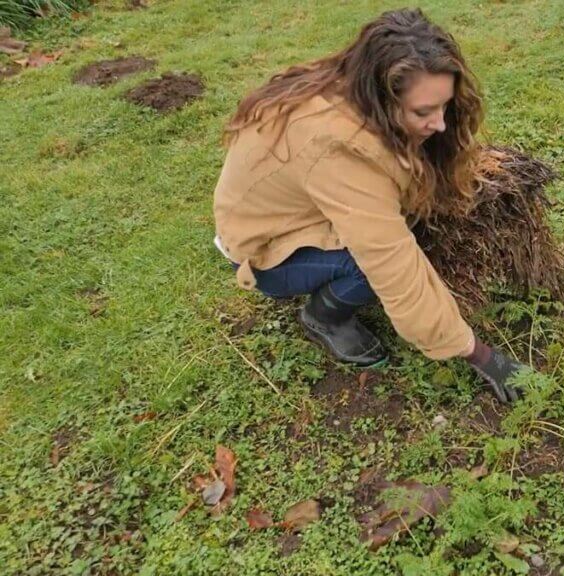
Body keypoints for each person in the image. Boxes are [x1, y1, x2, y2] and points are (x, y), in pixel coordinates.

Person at [212, 8, 525, 403]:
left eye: (442, 106)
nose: (441, 123)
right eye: (423, 112)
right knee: (367, 265)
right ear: (383, 95)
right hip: (262, 248)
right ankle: (324, 316)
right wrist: (481, 355)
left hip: (290, 208)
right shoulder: (337, 151)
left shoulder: (355, 88)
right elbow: (393, 267)